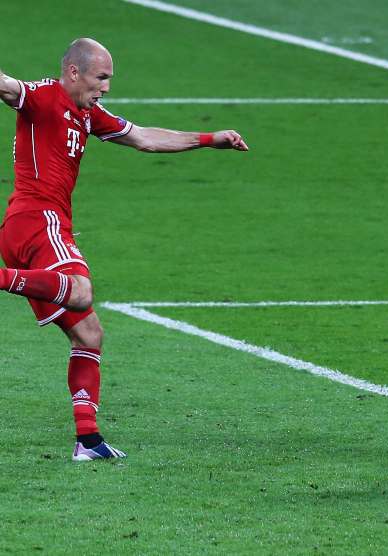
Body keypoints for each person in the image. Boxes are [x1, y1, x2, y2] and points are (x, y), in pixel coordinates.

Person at [0, 38, 248, 461]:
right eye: (102, 77)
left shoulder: (87, 114)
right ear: (75, 72)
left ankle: (89, 441)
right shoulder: (41, 97)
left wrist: (209, 139)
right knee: (80, 291)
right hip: (38, 221)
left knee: (89, 334)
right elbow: (6, 85)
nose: (107, 87)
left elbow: (144, 138)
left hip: (33, 228)